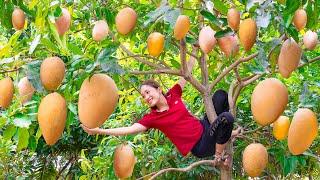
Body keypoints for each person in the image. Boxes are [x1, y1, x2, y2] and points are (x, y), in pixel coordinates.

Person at [81, 55, 240, 168]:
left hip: (205, 126)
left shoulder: (173, 94)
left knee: (220, 95)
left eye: (148, 92)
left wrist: (195, 49)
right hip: (200, 144)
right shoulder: (153, 118)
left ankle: (224, 136)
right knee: (226, 118)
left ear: (159, 89)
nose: (146, 97)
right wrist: (100, 130)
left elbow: (187, 72)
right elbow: (129, 130)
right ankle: (219, 155)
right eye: (144, 96)